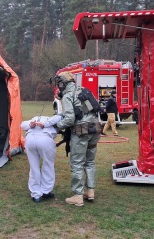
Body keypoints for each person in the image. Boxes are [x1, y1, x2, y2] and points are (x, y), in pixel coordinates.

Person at [54, 71, 101, 206]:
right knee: (90, 161)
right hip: (95, 129)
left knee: (77, 163)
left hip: (81, 132)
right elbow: (92, 110)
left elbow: (69, 119)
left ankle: (78, 195)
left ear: (63, 83)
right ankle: (90, 191)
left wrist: (57, 126)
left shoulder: (68, 95)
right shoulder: (84, 91)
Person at [21, 114, 62, 203]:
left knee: (34, 167)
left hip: (30, 140)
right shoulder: (51, 119)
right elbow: (60, 117)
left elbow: (22, 125)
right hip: (45, 139)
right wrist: (41, 124)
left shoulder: (34, 119)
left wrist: (30, 125)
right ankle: (45, 191)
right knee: (48, 165)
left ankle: (36, 194)